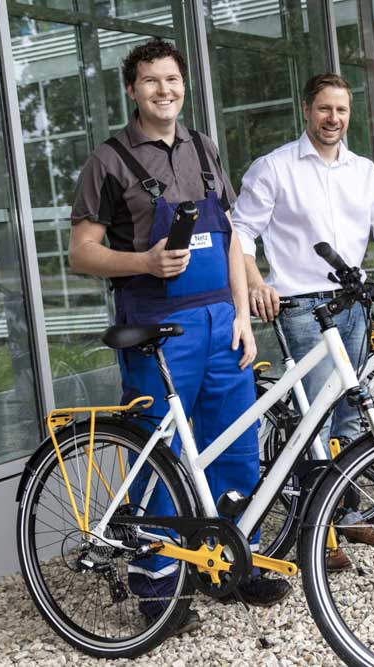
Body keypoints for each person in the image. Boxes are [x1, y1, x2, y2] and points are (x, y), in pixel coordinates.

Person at [68, 39, 290, 631]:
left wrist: (243, 316)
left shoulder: (203, 148)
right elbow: (81, 253)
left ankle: (231, 563)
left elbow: (232, 238)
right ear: (132, 89)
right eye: (150, 81)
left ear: (183, 84)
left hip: (223, 323)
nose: (164, 90)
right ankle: (157, 587)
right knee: (158, 456)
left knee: (238, 447)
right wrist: (142, 263)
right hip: (158, 330)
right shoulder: (109, 161)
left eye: (172, 79)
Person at [231, 73, 374, 570]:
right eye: (324, 109)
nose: (333, 119)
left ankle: (344, 515)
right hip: (301, 308)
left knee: (351, 412)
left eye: (341, 110)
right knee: (313, 421)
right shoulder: (275, 167)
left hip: (353, 303)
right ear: (307, 110)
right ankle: (315, 533)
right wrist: (258, 283)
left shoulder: (361, 169)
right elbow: (240, 232)